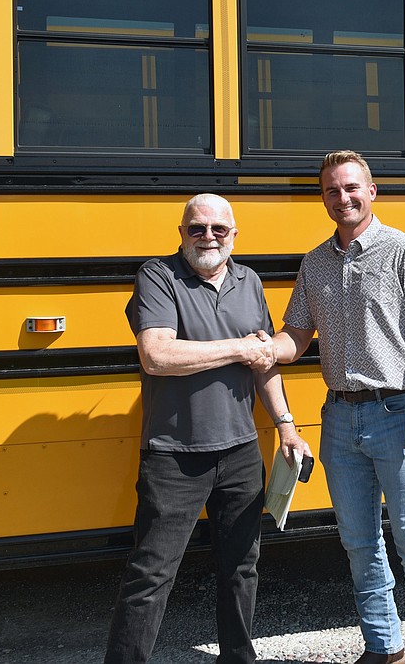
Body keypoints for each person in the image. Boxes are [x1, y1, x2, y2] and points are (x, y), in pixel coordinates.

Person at [105, 194, 311, 664]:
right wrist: (240, 348)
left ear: (234, 235)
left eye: (219, 229)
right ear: (181, 233)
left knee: (242, 567)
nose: (209, 237)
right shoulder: (158, 275)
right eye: (197, 228)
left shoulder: (248, 280)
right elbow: (158, 355)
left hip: (240, 451)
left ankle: (238, 657)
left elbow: (264, 363)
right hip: (173, 453)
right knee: (151, 574)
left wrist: (286, 427)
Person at [267, 150, 405, 664]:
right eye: (331, 190)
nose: (342, 197)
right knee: (358, 541)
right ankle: (383, 645)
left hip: (400, 415)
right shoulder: (315, 262)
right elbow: (297, 336)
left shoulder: (404, 251)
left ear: (372, 192)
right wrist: (260, 346)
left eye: (351, 188)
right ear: (322, 198)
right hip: (339, 418)